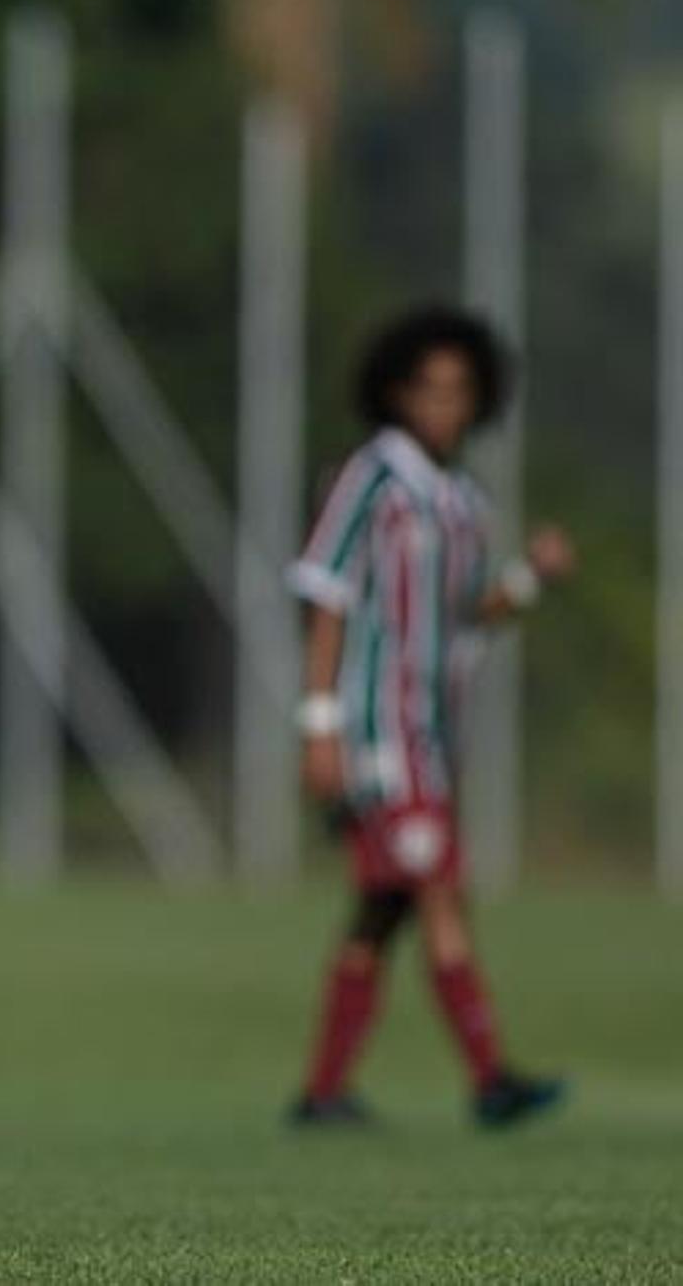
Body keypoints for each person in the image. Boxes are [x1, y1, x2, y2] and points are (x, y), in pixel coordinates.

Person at [286, 305, 576, 1129]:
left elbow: (463, 612)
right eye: (428, 390)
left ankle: (322, 1092)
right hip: (378, 734)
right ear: (396, 393)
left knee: (386, 909)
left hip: (433, 731)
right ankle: (492, 1080)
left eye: (460, 391)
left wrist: (530, 580)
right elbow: (326, 594)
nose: (444, 406)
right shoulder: (371, 477)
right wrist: (320, 725)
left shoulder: (459, 500)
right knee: (441, 891)